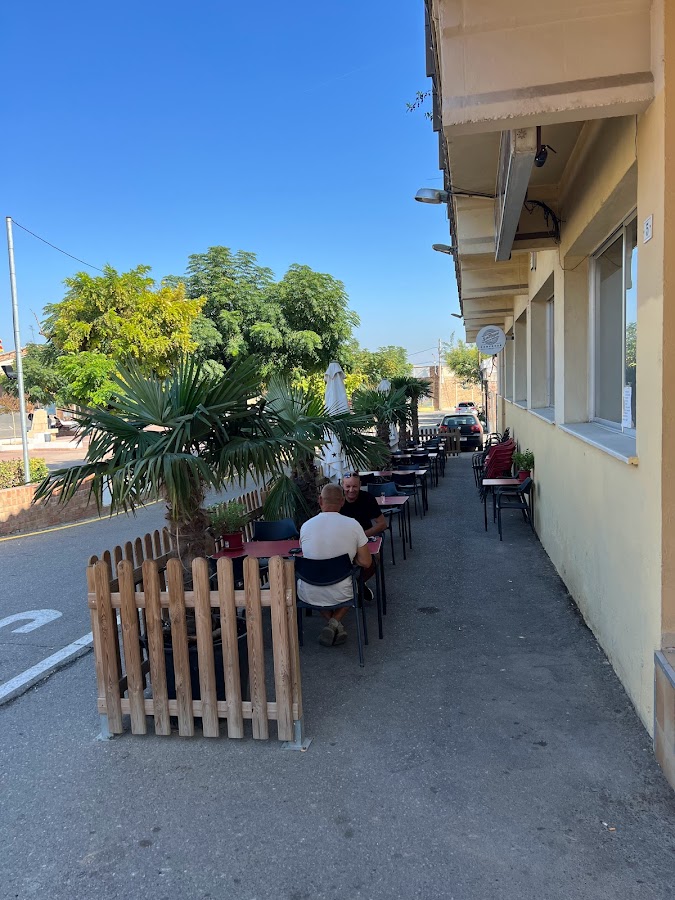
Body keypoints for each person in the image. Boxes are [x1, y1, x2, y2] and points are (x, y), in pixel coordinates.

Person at [298, 483, 372, 648]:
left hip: (309, 592)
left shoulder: (306, 526)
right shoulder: (353, 525)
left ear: (320, 500)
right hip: (342, 592)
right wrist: (352, 560)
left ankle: (334, 625)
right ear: (343, 501)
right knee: (352, 586)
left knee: (317, 582)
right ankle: (334, 623)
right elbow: (367, 562)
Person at [339, 473, 386, 603]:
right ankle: (355, 586)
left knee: (375, 559)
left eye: (354, 486)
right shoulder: (337, 501)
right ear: (342, 485)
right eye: (348, 486)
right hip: (341, 541)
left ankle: (357, 583)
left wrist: (362, 536)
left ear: (360, 485)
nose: (351, 490)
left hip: (365, 538)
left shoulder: (368, 498)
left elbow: (382, 524)